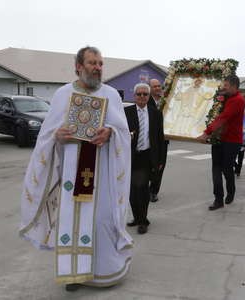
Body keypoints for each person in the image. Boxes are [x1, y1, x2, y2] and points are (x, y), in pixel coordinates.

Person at [19, 46, 133, 291]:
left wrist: (110, 132)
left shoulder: (111, 94)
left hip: (101, 171)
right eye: (92, 63)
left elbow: (123, 132)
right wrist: (57, 136)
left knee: (101, 219)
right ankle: (73, 274)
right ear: (78, 66)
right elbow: (47, 134)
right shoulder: (62, 94)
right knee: (70, 221)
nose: (97, 68)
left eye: (100, 63)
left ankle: (104, 270)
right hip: (70, 170)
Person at [197, 75, 245, 210]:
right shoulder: (223, 97)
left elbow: (223, 117)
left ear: (234, 86)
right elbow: (213, 113)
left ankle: (231, 190)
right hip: (218, 139)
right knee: (216, 169)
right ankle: (218, 199)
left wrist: (207, 132)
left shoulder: (238, 100)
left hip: (232, 141)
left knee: (227, 169)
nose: (223, 87)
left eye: (226, 86)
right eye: (223, 85)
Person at [125, 83, 165, 234]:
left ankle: (143, 221)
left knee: (141, 188)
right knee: (131, 191)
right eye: (139, 94)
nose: (142, 97)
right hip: (130, 157)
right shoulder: (126, 112)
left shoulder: (156, 113)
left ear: (148, 97)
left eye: (145, 94)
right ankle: (137, 217)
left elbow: (160, 138)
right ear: (134, 96)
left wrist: (161, 160)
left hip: (147, 156)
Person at [147, 78, 169, 202]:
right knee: (148, 165)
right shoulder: (146, 100)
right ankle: (145, 188)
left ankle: (154, 191)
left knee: (160, 165)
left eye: (159, 86)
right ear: (150, 89)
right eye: (154, 86)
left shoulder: (166, 101)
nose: (157, 88)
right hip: (149, 139)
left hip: (163, 139)